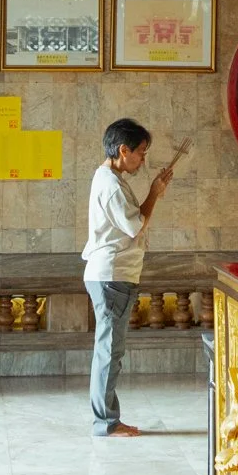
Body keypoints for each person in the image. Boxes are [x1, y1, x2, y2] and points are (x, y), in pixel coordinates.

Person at [82, 117, 172, 437]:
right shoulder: (109, 183)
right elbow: (136, 225)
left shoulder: (111, 179)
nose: (143, 160)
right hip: (111, 276)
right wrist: (155, 193)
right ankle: (106, 423)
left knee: (111, 350)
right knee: (110, 351)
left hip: (114, 275)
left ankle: (107, 419)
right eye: (141, 153)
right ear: (123, 150)